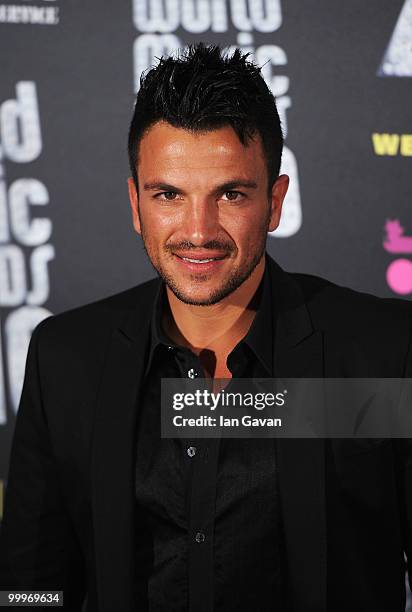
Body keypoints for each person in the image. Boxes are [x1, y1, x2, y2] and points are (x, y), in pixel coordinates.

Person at [0, 42, 412, 612]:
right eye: (168, 194)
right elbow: (32, 585)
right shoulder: (67, 360)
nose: (199, 230)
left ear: (274, 201)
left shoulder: (381, 353)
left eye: (231, 194)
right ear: (135, 203)